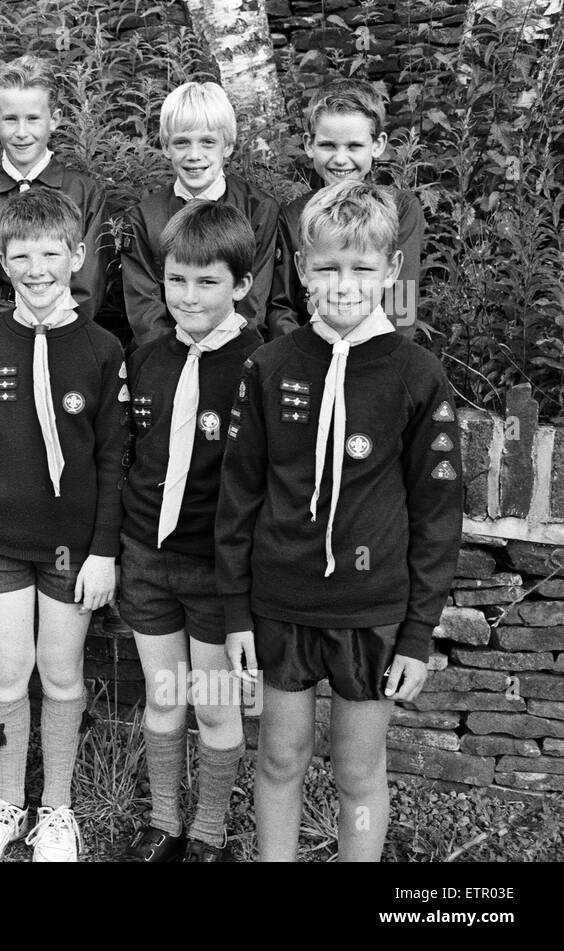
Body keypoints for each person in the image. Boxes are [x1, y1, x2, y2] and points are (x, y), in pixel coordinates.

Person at [215, 181, 462, 862]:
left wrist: (418, 632)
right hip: (282, 602)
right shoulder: (268, 366)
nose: (344, 284)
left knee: (358, 771)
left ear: (389, 270)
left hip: (373, 611)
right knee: (279, 760)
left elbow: (438, 514)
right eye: (327, 267)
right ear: (301, 269)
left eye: (361, 268)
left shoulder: (418, 375)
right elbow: (238, 494)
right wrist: (237, 611)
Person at [0, 189, 125, 862]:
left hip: (72, 550)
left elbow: (114, 459)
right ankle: (7, 799)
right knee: (5, 673)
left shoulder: (104, 349)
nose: (37, 266)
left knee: (60, 673)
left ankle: (57, 807)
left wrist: (104, 550)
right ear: (2, 258)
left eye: (52, 253)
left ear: (76, 256)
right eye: (21, 253)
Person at [118, 201, 263, 862]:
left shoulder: (263, 367)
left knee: (211, 704)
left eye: (207, 281)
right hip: (148, 556)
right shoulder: (147, 359)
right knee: (163, 695)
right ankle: (163, 820)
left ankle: (208, 830)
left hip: (215, 568)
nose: (188, 296)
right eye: (177, 279)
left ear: (242, 283)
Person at [0, 54, 108, 329]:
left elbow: (89, 283)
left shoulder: (85, 193)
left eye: (33, 118)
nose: (21, 132)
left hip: (65, 329)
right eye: (10, 119)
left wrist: (63, 327)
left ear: (54, 119)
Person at [120, 81, 280, 346]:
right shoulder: (143, 218)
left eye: (208, 142)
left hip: (236, 352)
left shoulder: (259, 209)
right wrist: (168, 356)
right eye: (182, 142)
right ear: (165, 146)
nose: (195, 155)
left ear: (227, 146)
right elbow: (144, 308)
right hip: (164, 353)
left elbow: (254, 300)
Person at [268, 77, 426, 337]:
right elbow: (281, 307)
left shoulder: (402, 209)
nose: (341, 160)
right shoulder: (293, 215)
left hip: (377, 354)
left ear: (377, 145)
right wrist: (298, 357)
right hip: (309, 352)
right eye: (328, 145)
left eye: (354, 146)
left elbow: (401, 304)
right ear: (309, 145)